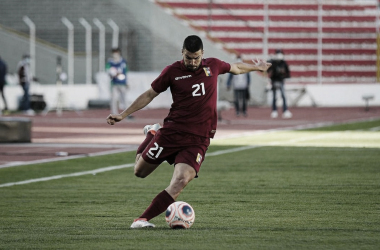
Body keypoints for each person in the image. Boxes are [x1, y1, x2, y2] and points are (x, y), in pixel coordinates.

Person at [106, 35, 271, 228]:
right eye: (188, 58)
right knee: (139, 172)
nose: (192, 62)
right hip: (172, 133)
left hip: (199, 138)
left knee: (182, 179)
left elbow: (236, 68)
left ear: (203, 54)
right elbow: (150, 94)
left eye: (196, 58)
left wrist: (256, 67)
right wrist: (123, 114)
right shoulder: (172, 71)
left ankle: (141, 219)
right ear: (182, 53)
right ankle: (151, 134)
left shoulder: (214, 66)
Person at [267, 49, 292, 119]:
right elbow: (268, 70)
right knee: (274, 97)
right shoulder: (273, 62)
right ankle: (274, 111)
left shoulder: (283, 63)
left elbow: (288, 73)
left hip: (281, 81)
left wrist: (284, 75)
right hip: (274, 80)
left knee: (283, 96)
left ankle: (285, 111)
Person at [106, 47, 130, 116]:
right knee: (114, 98)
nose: (115, 54)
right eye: (114, 53)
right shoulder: (110, 62)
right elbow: (108, 71)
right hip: (114, 83)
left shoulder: (123, 61)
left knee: (124, 98)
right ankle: (114, 113)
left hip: (122, 83)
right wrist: (112, 73)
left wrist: (127, 82)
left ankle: (127, 113)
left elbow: (126, 72)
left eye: (116, 52)